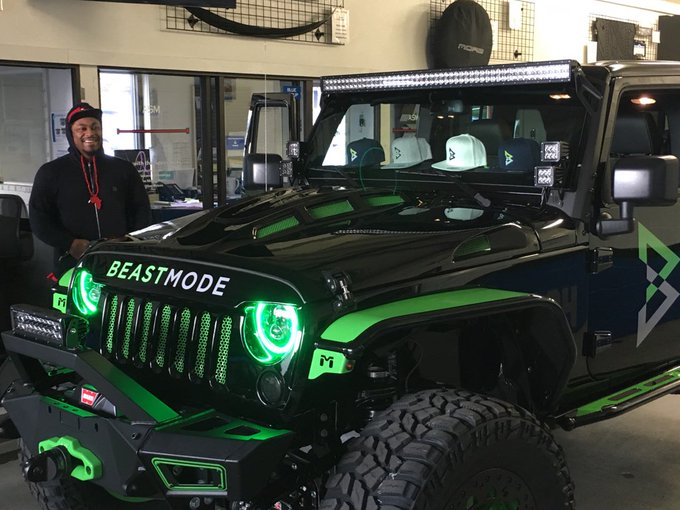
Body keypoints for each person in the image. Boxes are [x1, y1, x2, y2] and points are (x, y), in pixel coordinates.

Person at [29, 102, 151, 275]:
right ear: (71, 133)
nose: (90, 133)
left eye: (95, 127)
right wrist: (70, 243)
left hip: (122, 263)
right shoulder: (51, 172)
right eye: (82, 128)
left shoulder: (123, 169)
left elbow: (141, 210)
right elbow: (39, 219)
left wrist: (131, 240)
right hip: (71, 263)